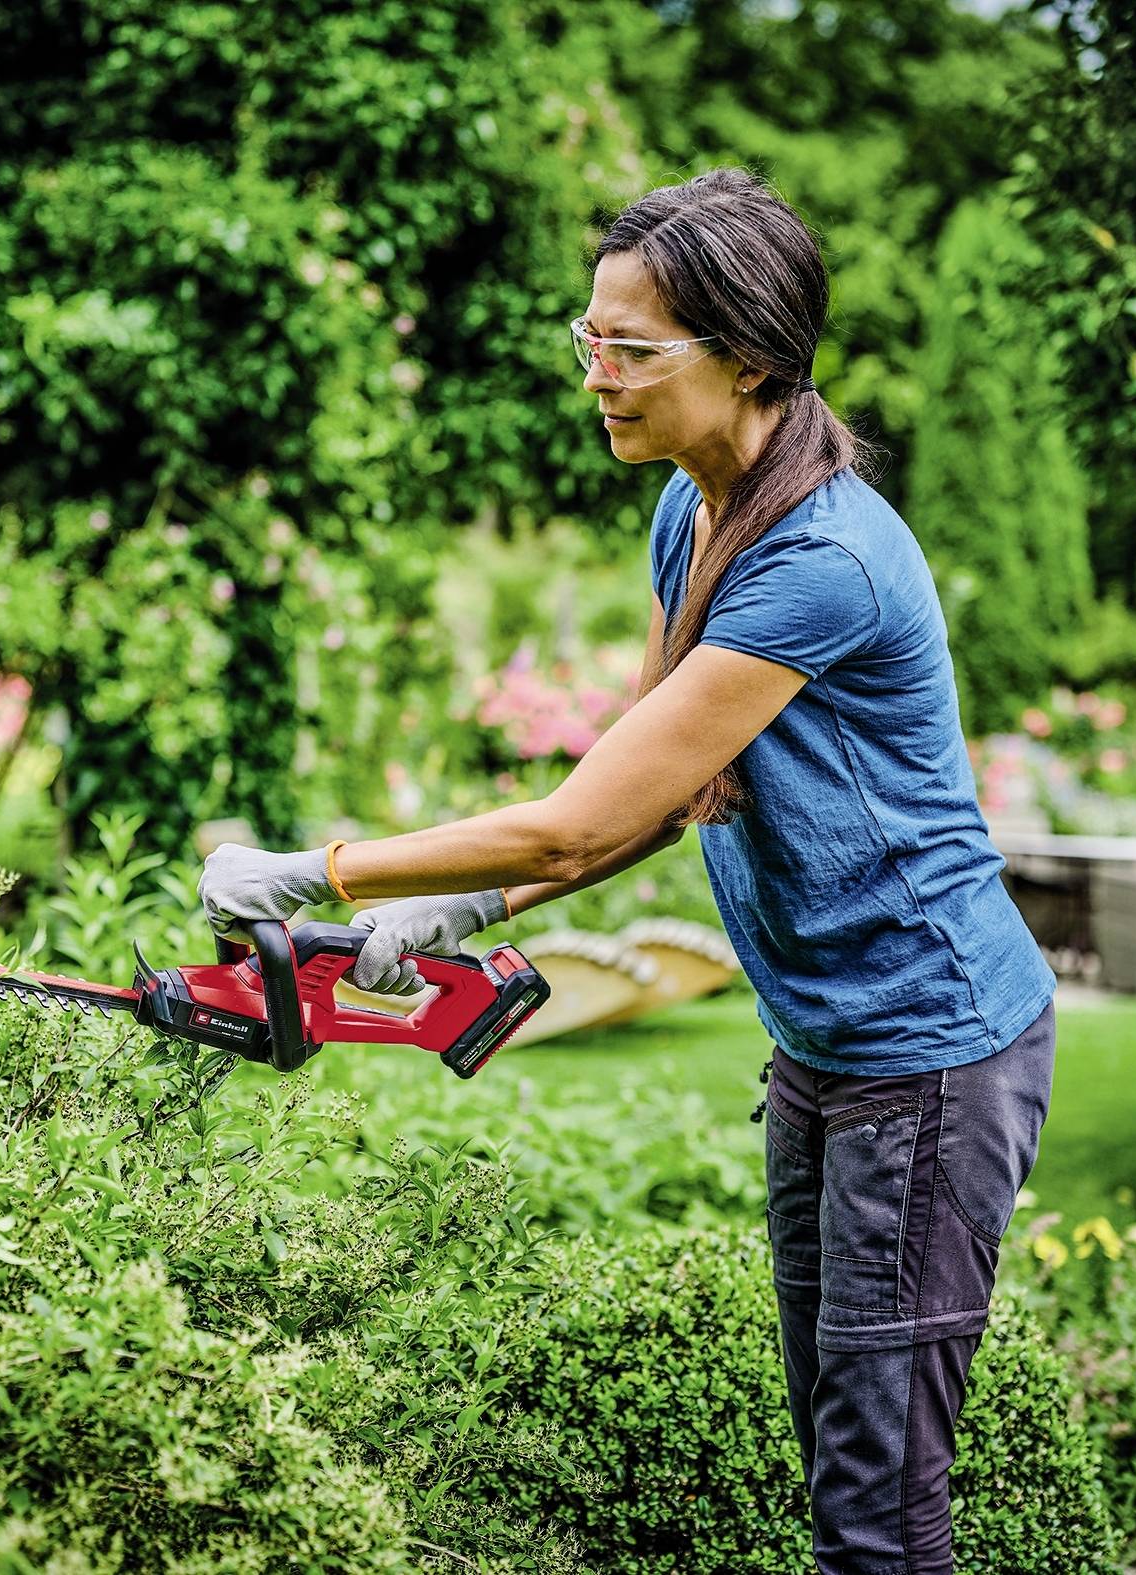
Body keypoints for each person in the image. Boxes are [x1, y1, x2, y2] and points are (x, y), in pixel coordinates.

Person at [196, 167, 1058, 1573]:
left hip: (931, 1052)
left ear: (752, 358)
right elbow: (657, 791)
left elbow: (576, 821)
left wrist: (318, 871)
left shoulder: (824, 558)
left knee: (877, 1496)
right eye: (585, 339)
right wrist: (463, 904)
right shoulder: (692, 507)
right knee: (837, 1443)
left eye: (633, 351)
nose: (596, 376)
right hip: (826, 1046)